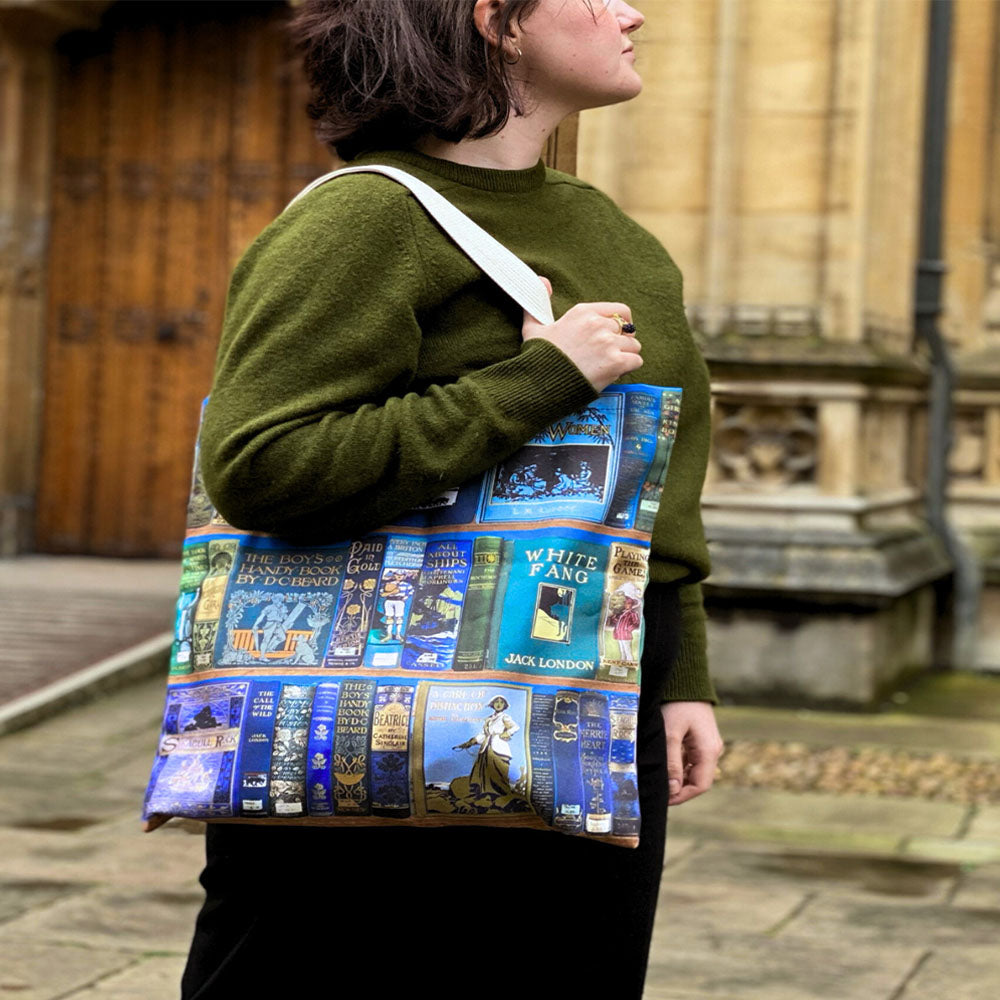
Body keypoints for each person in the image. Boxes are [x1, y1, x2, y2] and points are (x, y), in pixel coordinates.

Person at [181, 1, 725, 996]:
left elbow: (655, 484)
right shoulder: (363, 218)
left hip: (596, 694)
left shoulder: (614, 236)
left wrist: (680, 670)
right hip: (363, 712)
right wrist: (537, 380)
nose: (630, 10)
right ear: (496, 20)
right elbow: (262, 465)